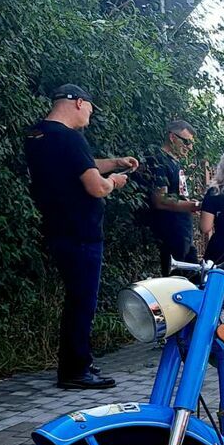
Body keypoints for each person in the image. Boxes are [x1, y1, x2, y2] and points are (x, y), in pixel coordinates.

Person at [24, 84, 137, 390]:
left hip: (56, 228)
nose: (90, 115)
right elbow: (96, 186)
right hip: (82, 232)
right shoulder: (70, 138)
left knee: (75, 298)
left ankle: (77, 362)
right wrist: (114, 181)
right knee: (82, 302)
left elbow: (80, 164)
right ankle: (76, 370)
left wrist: (115, 162)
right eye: (90, 108)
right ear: (78, 103)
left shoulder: (39, 135)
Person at [142, 119, 200, 276]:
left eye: (191, 143)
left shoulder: (175, 162)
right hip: (171, 234)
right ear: (172, 137)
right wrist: (195, 205)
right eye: (186, 142)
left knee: (195, 279)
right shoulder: (159, 161)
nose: (190, 147)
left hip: (183, 234)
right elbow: (160, 200)